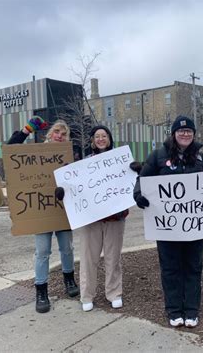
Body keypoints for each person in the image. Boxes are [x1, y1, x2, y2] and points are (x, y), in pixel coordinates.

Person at [133, 115, 203, 328]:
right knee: (170, 268)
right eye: (181, 131)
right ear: (173, 133)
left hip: (194, 227)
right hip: (166, 226)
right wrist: (139, 195)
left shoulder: (201, 159)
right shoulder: (157, 156)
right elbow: (141, 180)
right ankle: (173, 310)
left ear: (193, 134)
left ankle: (191, 309)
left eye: (189, 131)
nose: (185, 134)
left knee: (193, 267)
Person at [7, 117, 79, 313]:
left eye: (64, 134)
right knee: (42, 251)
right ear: (50, 134)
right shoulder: (36, 151)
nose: (60, 136)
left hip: (63, 210)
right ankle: (41, 291)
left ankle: (69, 280)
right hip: (39, 210)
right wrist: (26, 129)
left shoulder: (71, 155)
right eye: (57, 132)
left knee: (67, 248)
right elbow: (10, 148)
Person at [77, 125, 129, 312]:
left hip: (115, 218)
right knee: (88, 258)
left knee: (113, 258)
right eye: (97, 136)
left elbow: (128, 184)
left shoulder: (120, 161)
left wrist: (135, 171)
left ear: (109, 138)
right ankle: (87, 295)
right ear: (92, 140)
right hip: (91, 219)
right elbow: (76, 187)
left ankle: (114, 293)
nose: (100, 139)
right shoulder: (84, 163)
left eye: (104, 136)